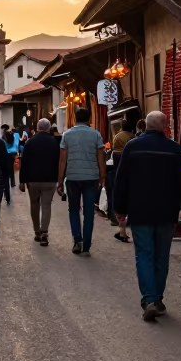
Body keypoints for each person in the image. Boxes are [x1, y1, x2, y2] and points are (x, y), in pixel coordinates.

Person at [114, 111, 181, 321]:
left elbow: (121, 180)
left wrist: (119, 208)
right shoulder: (174, 149)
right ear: (164, 126)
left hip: (140, 210)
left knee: (144, 254)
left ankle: (150, 298)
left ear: (146, 126)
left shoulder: (132, 147)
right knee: (161, 255)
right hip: (166, 211)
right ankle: (157, 297)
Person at [57, 107, 106, 256]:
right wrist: (102, 177)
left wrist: (59, 181)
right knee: (89, 211)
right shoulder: (96, 134)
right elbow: (101, 157)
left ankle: (77, 239)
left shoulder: (67, 135)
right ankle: (87, 245)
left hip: (72, 177)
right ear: (89, 119)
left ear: (75, 118)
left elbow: (62, 160)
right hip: (91, 177)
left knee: (73, 209)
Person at [18, 118, 59, 245]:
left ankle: (37, 231)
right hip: (49, 180)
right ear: (48, 129)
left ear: (37, 127)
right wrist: (60, 179)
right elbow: (58, 161)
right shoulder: (54, 142)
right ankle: (44, 232)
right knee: (46, 205)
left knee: (34, 204)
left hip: (33, 180)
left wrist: (22, 181)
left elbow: (24, 162)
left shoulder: (30, 142)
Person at [107, 120, 133, 243]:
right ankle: (122, 229)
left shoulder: (117, 136)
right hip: (128, 169)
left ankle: (118, 224)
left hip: (116, 168)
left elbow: (113, 150)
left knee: (118, 197)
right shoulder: (132, 137)